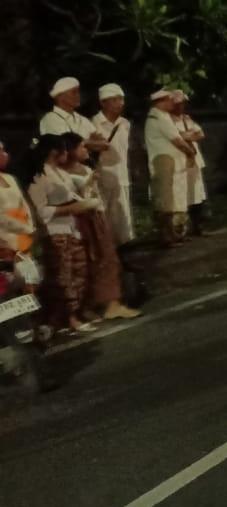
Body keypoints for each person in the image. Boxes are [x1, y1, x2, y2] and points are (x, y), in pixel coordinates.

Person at [59, 134, 140, 320]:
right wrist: (88, 184)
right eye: (81, 147)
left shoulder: (85, 168)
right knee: (88, 261)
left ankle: (111, 303)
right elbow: (72, 198)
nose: (86, 150)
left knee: (107, 257)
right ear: (70, 151)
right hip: (81, 219)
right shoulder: (64, 175)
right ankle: (95, 305)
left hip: (96, 215)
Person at [25, 134, 96, 333]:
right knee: (64, 276)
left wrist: (85, 199)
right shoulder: (40, 176)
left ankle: (71, 314)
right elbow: (41, 211)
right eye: (64, 149)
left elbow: (74, 196)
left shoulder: (61, 173)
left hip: (72, 228)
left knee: (79, 271)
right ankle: (69, 317)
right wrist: (70, 209)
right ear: (54, 152)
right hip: (55, 232)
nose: (67, 153)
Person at [144, 90, 196, 246]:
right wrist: (190, 153)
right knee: (165, 199)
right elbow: (177, 140)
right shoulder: (159, 118)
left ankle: (172, 233)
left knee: (170, 198)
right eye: (170, 100)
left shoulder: (162, 116)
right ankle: (166, 236)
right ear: (161, 101)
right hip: (163, 160)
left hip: (168, 160)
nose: (173, 103)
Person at [91, 83, 135, 246]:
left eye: (121, 99)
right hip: (103, 175)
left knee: (122, 214)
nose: (120, 103)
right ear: (103, 102)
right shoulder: (93, 124)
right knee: (105, 214)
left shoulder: (125, 123)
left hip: (121, 174)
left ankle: (124, 246)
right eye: (115, 100)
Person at [0, 140, 40, 293]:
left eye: (4, 151)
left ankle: (29, 308)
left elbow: (24, 204)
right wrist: (27, 229)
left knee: (30, 281)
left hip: (22, 239)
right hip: (4, 240)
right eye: (1, 151)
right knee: (6, 286)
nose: (5, 155)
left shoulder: (10, 178)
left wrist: (30, 227)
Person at [39, 77, 110, 156]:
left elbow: (104, 143)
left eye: (78, 92)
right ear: (60, 97)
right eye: (74, 92)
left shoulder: (82, 119)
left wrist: (83, 143)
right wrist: (88, 142)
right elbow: (67, 145)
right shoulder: (50, 119)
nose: (78, 95)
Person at [170, 91, 209, 236]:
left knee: (196, 193)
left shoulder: (187, 119)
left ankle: (198, 225)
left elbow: (200, 134)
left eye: (182, 103)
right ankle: (180, 230)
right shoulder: (168, 121)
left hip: (194, 160)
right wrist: (187, 136)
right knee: (181, 195)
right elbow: (175, 139)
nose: (181, 106)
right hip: (180, 162)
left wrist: (186, 136)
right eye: (178, 103)